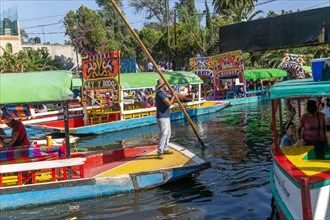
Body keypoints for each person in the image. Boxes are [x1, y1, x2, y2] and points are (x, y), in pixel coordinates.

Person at [155, 78, 176, 159]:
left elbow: (167, 101)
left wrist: (171, 95)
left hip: (165, 116)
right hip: (162, 117)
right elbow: (169, 103)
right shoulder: (161, 94)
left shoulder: (161, 93)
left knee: (168, 132)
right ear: (163, 86)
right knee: (164, 133)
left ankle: (165, 148)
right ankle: (160, 151)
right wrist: (173, 96)